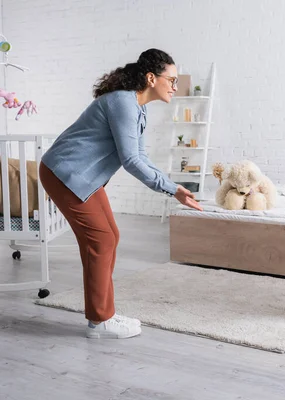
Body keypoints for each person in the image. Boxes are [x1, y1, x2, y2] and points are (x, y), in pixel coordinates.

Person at [39, 49, 202, 339]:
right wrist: (171, 188)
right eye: (172, 80)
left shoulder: (138, 107)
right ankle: (100, 319)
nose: (175, 87)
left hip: (85, 178)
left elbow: (139, 154)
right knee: (100, 240)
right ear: (152, 78)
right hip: (64, 173)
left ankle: (102, 314)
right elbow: (131, 161)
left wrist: (171, 186)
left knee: (109, 236)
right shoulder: (122, 102)